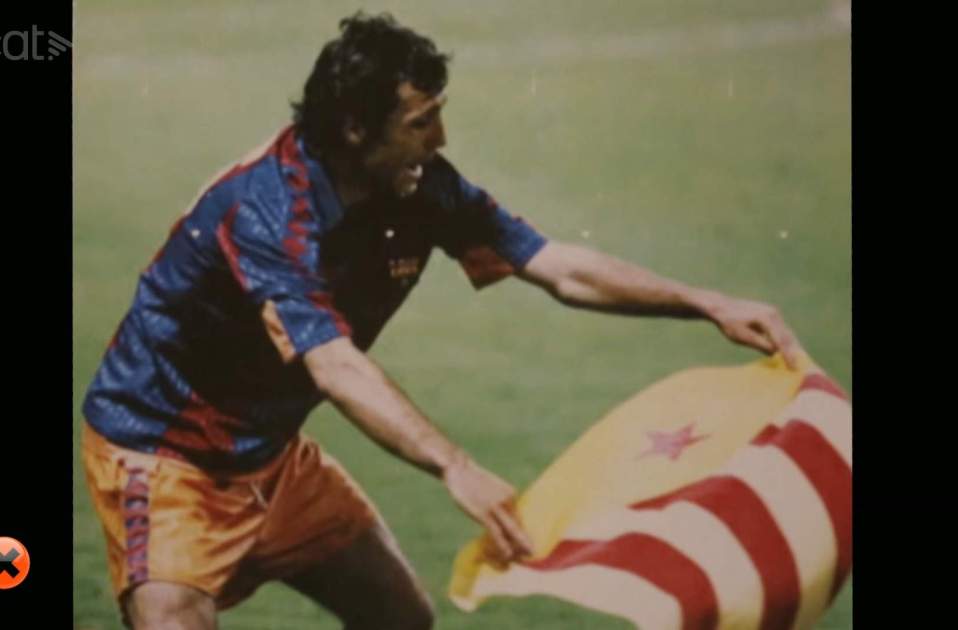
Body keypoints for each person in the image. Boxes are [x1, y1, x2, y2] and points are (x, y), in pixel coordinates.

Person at [81, 11, 801, 630]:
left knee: (401, 616)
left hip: (270, 457)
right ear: (356, 129)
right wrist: (454, 465)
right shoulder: (266, 212)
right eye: (421, 122)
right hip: (167, 458)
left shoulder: (418, 188)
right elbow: (333, 364)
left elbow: (553, 264)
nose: (441, 138)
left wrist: (707, 302)